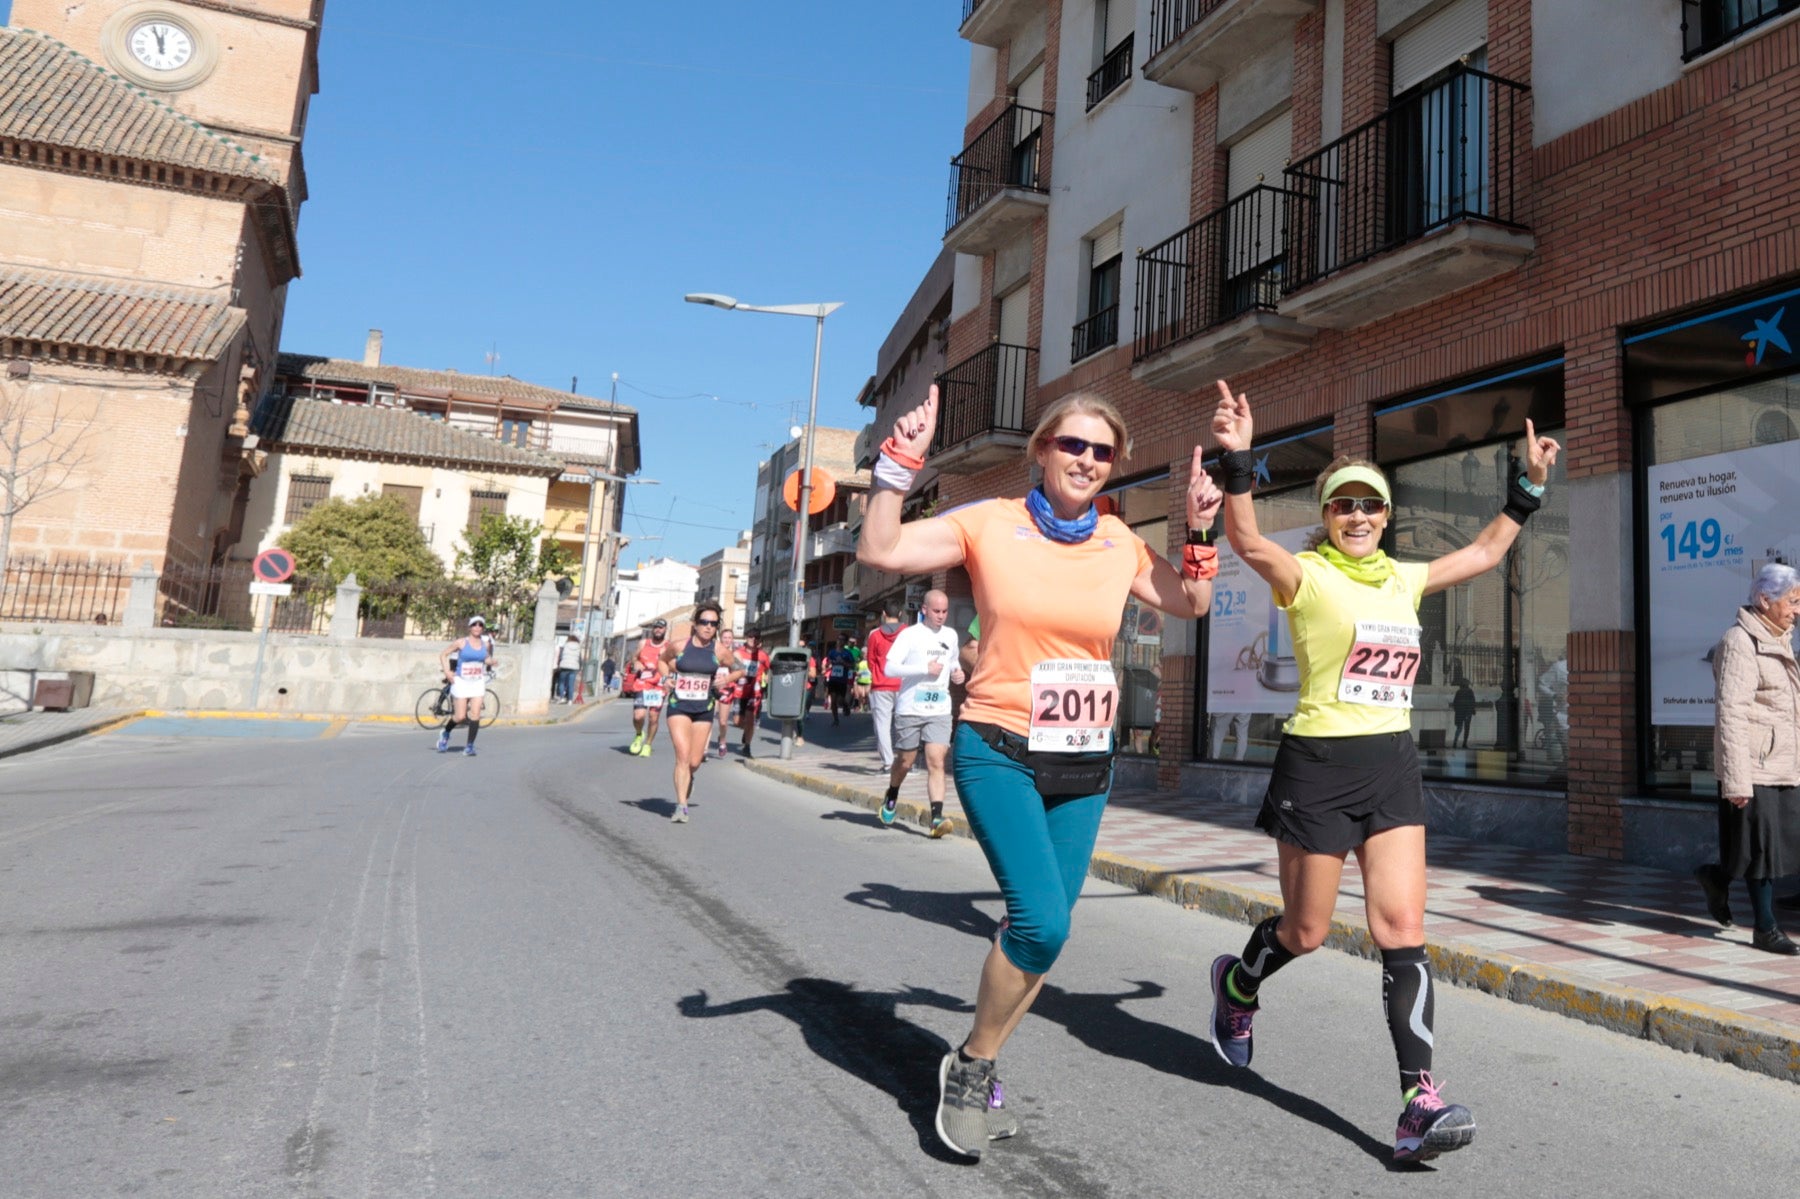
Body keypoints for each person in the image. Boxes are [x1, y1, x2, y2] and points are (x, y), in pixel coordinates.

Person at [858, 385, 1222, 1160]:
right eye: (1073, 445)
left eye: (1102, 451)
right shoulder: (991, 522)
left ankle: (978, 1059)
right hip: (998, 745)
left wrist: (1201, 523)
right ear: (1042, 450)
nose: (1087, 460)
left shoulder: (1119, 542)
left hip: (1086, 758)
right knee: (1041, 921)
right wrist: (897, 464)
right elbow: (881, 551)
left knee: (1046, 936)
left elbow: (1191, 599)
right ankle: (972, 1067)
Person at [1206, 378, 1561, 1164]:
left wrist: (1527, 489)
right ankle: (1238, 986)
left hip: (1391, 765)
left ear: (1387, 515)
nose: (1358, 516)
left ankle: (1417, 1101)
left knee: (1402, 930)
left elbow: (1485, 550)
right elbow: (1247, 542)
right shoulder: (1306, 575)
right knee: (1305, 931)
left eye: (1370, 504)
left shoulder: (1404, 578)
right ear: (1328, 517)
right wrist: (1236, 463)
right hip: (1317, 765)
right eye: (1343, 505)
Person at [1692, 562, 1800, 954]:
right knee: (1760, 851)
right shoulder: (1740, 641)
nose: (1797, 609)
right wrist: (1737, 780)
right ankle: (1765, 927)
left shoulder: (1781, 639)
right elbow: (1731, 712)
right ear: (1764, 599)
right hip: (1755, 764)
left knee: (1775, 843)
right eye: (1792, 601)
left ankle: (1716, 878)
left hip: (1785, 761)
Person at [881, 589, 964, 837]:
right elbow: (889, 668)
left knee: (936, 760)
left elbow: (953, 663)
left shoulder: (950, 636)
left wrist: (957, 673)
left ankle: (936, 818)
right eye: (936, 611)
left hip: (939, 708)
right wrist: (923, 668)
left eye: (945, 611)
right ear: (924, 610)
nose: (941, 616)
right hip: (910, 708)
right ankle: (892, 792)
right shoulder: (909, 635)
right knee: (905, 761)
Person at [657, 601, 743, 824]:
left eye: (713, 624)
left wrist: (727, 678)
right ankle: (681, 806)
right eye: (704, 622)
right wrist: (666, 678)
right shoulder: (679, 646)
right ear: (695, 624)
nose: (708, 627)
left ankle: (690, 777)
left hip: (704, 709)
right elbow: (662, 661)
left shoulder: (719, 651)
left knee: (695, 760)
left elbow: (741, 669)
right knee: (682, 756)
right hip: (679, 706)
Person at [436, 615, 495, 756]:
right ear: (470, 627)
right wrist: (448, 672)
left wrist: (491, 661)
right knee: (460, 716)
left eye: (481, 625)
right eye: (475, 624)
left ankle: (469, 746)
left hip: (477, 682)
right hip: (462, 682)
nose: (477, 627)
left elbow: (485, 658)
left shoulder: (485, 644)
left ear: (483, 628)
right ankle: (445, 733)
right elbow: (443, 654)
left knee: (475, 714)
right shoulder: (461, 642)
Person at [865, 605, 904, 770]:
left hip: (881, 685)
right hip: (903, 684)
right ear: (900, 614)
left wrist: (877, 673)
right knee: (905, 724)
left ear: (883, 613)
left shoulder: (874, 635)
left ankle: (888, 763)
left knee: (882, 725)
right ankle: (905, 762)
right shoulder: (908, 632)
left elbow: (870, 660)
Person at [625, 619, 670, 756]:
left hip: (659, 686)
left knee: (653, 717)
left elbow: (674, 665)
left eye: (661, 628)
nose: (658, 630)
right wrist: (636, 663)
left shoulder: (669, 646)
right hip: (642, 683)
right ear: (652, 629)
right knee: (638, 716)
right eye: (656, 627)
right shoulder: (643, 643)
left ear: (665, 630)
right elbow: (634, 658)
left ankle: (648, 744)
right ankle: (639, 734)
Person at [736, 632, 770, 757]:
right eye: (751, 637)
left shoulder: (763, 655)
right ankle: (746, 730)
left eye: (756, 638)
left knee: (751, 719)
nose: (753, 639)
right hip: (739, 690)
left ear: (759, 641)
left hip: (754, 691)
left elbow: (769, 668)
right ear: (746, 638)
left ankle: (747, 746)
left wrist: (766, 678)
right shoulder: (739, 652)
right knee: (737, 722)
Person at [712, 628, 739, 758]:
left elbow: (740, 671)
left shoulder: (735, 655)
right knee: (709, 719)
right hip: (712, 689)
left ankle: (722, 740)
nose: (727, 640)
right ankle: (704, 749)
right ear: (720, 639)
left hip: (727, 689)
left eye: (730, 638)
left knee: (723, 721)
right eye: (725, 637)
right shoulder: (714, 652)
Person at [825, 640, 854, 725]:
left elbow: (852, 665)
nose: (839, 642)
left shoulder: (847, 653)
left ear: (844, 642)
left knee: (840, 700)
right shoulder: (832, 652)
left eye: (842, 639)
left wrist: (843, 663)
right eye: (838, 639)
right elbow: (827, 663)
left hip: (842, 680)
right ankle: (836, 719)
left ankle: (845, 705)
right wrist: (831, 663)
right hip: (833, 679)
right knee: (833, 701)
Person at [1451, 674, 1476, 749]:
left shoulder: (1458, 692)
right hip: (1467, 713)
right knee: (1466, 728)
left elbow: (1455, 702)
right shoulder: (1470, 691)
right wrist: (1472, 710)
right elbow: (1472, 702)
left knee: (1459, 728)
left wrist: (1457, 710)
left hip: (1459, 712)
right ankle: (1464, 743)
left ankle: (1455, 741)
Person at [554, 634, 581, 704]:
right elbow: (579, 658)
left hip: (564, 666)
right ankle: (570, 700)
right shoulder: (578, 647)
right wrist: (579, 667)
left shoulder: (565, 646)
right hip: (574, 667)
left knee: (561, 682)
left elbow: (561, 656)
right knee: (571, 684)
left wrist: (559, 663)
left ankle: (561, 697)